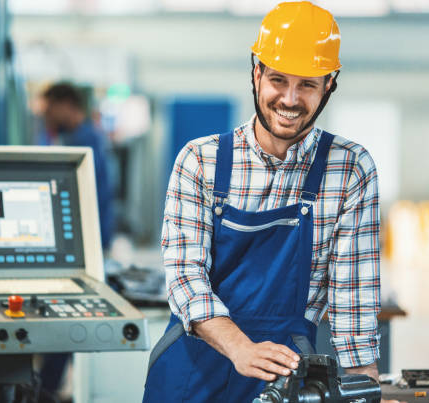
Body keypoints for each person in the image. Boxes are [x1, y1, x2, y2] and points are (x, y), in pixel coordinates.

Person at [143, 2, 399, 403]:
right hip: (190, 375)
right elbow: (184, 275)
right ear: (256, 72)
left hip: (285, 376)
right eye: (279, 79)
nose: (291, 99)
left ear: (330, 84)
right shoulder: (200, 161)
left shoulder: (350, 169)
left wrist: (365, 390)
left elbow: (353, 301)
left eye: (309, 84)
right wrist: (240, 347)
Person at [37, 83, 115, 401]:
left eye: (49, 108)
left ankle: (45, 390)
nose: (44, 115)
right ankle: (46, 387)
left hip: (84, 246)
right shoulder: (78, 137)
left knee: (67, 318)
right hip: (84, 243)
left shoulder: (85, 142)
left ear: (67, 104)